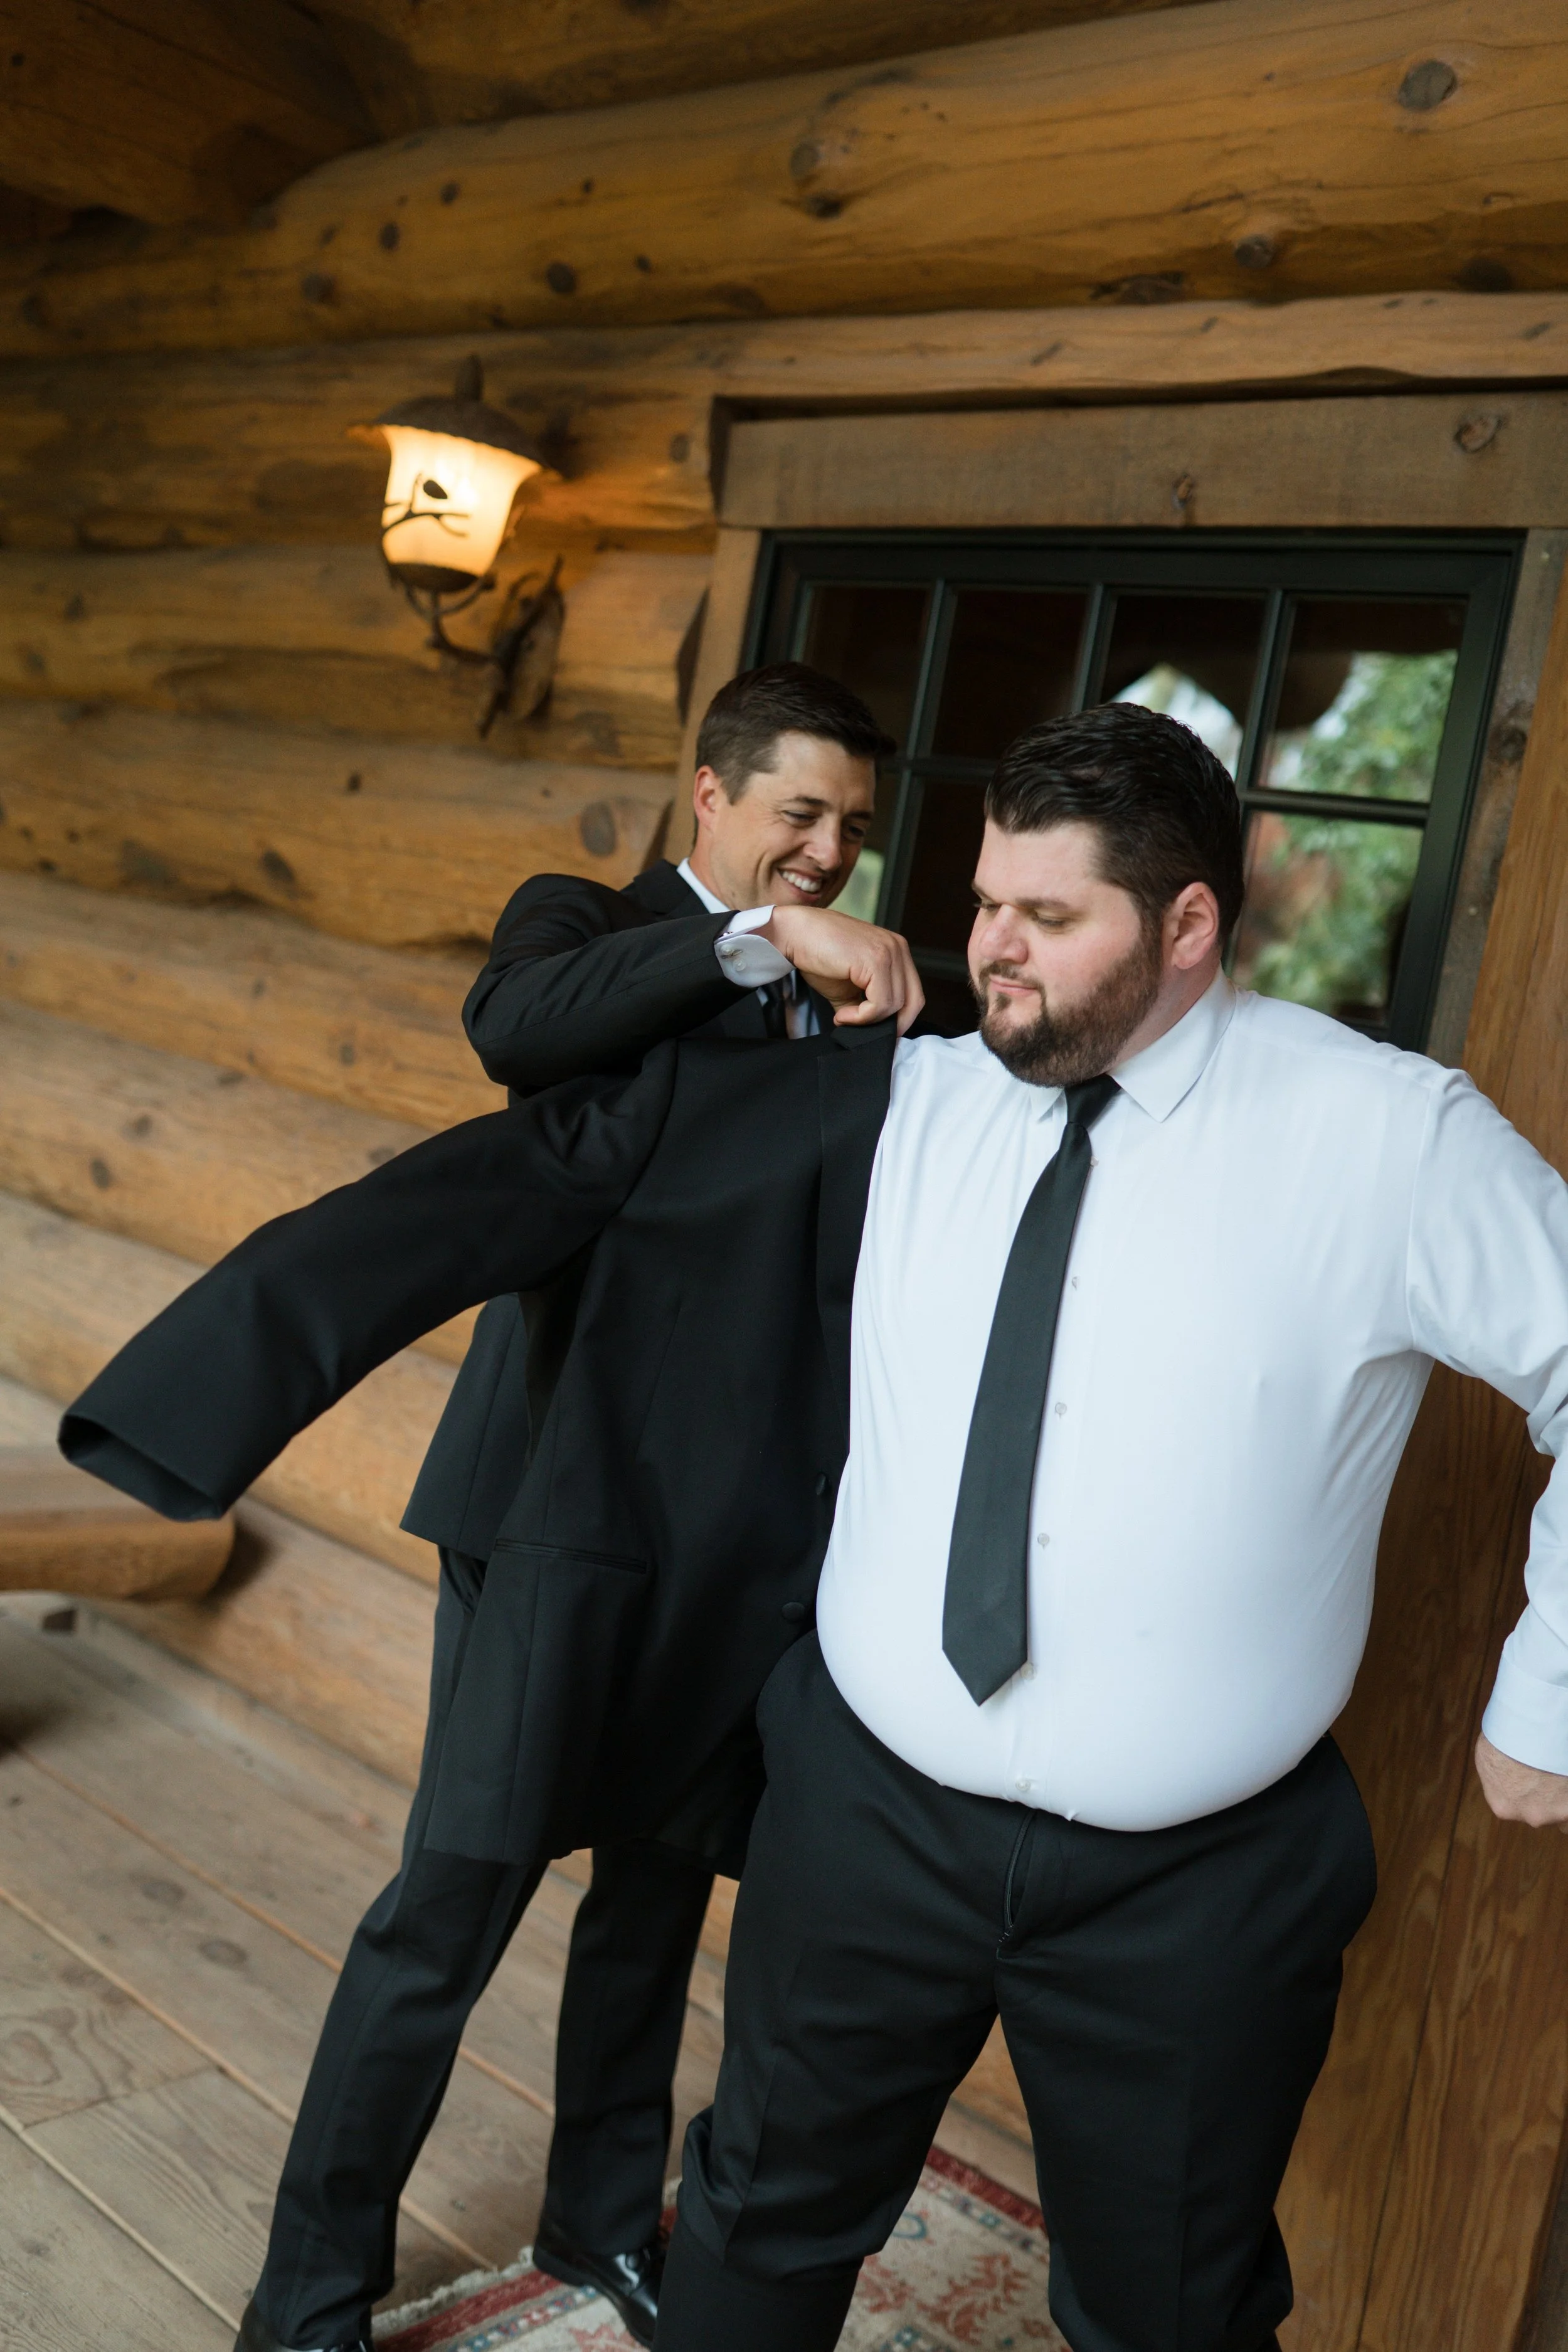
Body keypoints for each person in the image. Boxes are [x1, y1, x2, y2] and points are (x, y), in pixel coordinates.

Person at [60, 704, 1568, 2352]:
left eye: (1046, 917)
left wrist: (1547, 1692)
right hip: (858, 1826)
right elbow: (568, 1159)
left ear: (1188, 924)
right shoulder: (910, 1098)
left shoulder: (1388, 1137)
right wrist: (207, 1390)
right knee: (751, 2236)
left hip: (1198, 1888)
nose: (990, 950)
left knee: (1173, 2309)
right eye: (983, 902)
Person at [407, 660, 907, 2344]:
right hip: (546, 1509)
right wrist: (757, 938)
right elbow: (514, 1029)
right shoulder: (583, 921)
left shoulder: (856, 1002)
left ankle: (600, 2224)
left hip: (729, 1536)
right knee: (448, 1910)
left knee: (654, 1901)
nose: (828, 851)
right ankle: (307, 2285)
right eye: (799, 813)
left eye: (851, 826)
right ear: (710, 792)